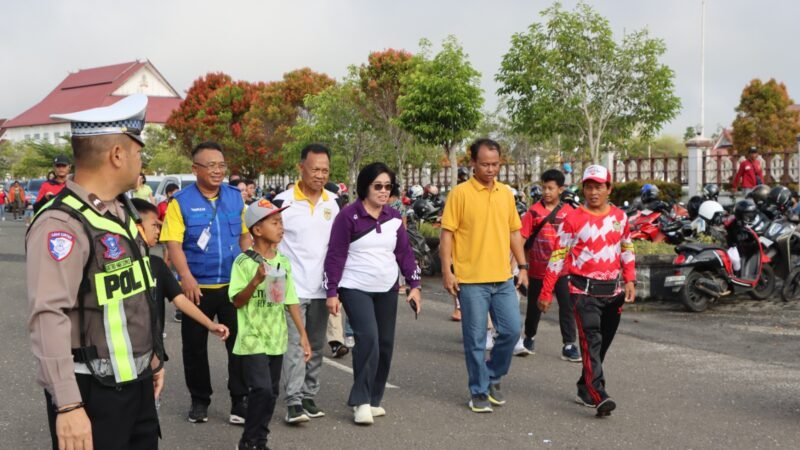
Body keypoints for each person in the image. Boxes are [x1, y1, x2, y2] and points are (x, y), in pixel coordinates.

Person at [27, 94, 166, 449]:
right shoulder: (63, 224)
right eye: (138, 151)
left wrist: (151, 358)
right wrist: (68, 404)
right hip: (92, 394)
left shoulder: (122, 213)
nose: (140, 160)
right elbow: (48, 316)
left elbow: (132, 297)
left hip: (135, 385)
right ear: (117, 154)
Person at [324, 162, 422, 425]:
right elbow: (335, 255)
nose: (383, 191)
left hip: (387, 288)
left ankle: (374, 399)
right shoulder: (348, 216)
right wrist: (331, 291)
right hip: (355, 287)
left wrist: (415, 286)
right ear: (364, 187)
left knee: (385, 344)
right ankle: (361, 401)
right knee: (368, 339)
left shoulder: (393, 218)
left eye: (388, 187)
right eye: (377, 186)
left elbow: (405, 254)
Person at [160, 140, 250, 424]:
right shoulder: (181, 202)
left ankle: (240, 401)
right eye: (210, 165)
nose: (217, 171)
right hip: (197, 289)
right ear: (195, 168)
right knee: (194, 348)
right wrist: (185, 277)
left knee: (238, 346)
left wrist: (249, 265)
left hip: (233, 287)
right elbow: (173, 244)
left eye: (221, 165)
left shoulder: (235, 197)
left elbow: (245, 234)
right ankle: (199, 400)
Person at [539, 164, 636, 417]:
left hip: (613, 293)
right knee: (592, 341)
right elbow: (558, 256)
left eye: (599, 187)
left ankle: (584, 386)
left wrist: (630, 280)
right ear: (583, 189)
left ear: (609, 189)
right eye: (589, 187)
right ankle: (598, 394)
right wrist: (546, 291)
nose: (594, 192)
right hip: (583, 292)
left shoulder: (620, 218)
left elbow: (627, 248)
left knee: (599, 347)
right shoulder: (572, 218)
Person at [440, 138, 528, 414]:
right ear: (473, 164)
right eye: (485, 164)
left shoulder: (505, 194)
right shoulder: (460, 194)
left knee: (512, 330)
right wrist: (447, 270)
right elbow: (447, 234)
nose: (491, 169)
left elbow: (515, 232)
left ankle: (492, 375)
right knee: (476, 339)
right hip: (471, 280)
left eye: (495, 164)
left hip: (502, 278)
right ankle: (478, 391)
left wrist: (523, 267)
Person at [230, 199, 312, 450]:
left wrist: (302, 334)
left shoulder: (283, 262)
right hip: (252, 338)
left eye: (281, 222)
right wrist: (255, 281)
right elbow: (236, 301)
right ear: (257, 230)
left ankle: (259, 440)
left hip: (277, 338)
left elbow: (290, 300)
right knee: (262, 390)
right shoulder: (243, 263)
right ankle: (248, 441)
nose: (281, 227)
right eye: (274, 222)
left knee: (272, 394)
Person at [273, 143, 341, 423]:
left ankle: (310, 394)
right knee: (294, 343)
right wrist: (272, 286)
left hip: (321, 288)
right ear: (301, 167)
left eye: (325, 170)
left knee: (315, 342)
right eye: (315, 169)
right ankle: (293, 401)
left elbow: (337, 248)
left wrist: (336, 287)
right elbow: (267, 241)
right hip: (290, 287)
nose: (320, 175)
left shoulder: (333, 203)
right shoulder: (282, 201)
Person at [131, 198, 230, 341]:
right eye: (154, 225)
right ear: (136, 226)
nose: (158, 231)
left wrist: (210, 324)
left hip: (153, 349)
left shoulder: (157, 265)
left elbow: (180, 299)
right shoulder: (114, 267)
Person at [519, 169, 578, 360]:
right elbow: (521, 238)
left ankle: (569, 345)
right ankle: (529, 337)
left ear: (560, 189)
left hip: (563, 270)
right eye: (544, 187)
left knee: (567, 306)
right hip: (537, 269)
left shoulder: (570, 212)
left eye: (550, 188)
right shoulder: (533, 211)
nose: (546, 192)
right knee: (534, 307)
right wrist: (522, 267)